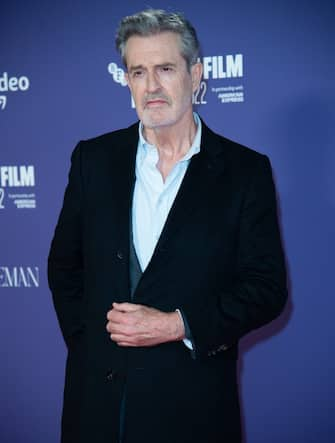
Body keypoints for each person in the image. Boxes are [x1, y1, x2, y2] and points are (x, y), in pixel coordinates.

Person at [48, 9, 287, 443]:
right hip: (98, 411)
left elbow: (266, 288)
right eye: (138, 71)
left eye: (165, 69)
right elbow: (64, 268)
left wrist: (177, 325)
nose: (151, 86)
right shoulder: (93, 160)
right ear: (127, 80)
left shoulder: (244, 171)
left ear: (195, 74)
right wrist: (90, 349)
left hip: (192, 408)